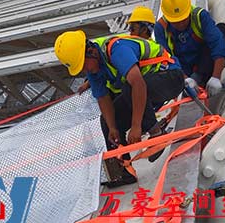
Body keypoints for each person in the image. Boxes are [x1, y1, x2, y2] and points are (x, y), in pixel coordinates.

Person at [54, 30, 183, 186]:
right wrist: (113, 128)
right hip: (146, 89)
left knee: (130, 87)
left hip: (170, 77)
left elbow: (138, 84)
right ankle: (122, 173)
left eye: (83, 65)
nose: (85, 70)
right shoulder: (94, 68)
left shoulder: (116, 49)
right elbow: (102, 97)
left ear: (91, 52)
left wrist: (136, 126)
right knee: (107, 121)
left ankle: (156, 133)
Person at [154, 0, 225, 95]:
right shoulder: (161, 27)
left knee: (223, 29)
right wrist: (185, 79)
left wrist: (216, 76)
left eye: (183, 19)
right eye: (176, 22)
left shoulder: (200, 16)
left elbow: (217, 43)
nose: (180, 24)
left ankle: (201, 78)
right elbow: (166, 58)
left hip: (203, 63)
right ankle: (191, 82)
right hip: (182, 69)